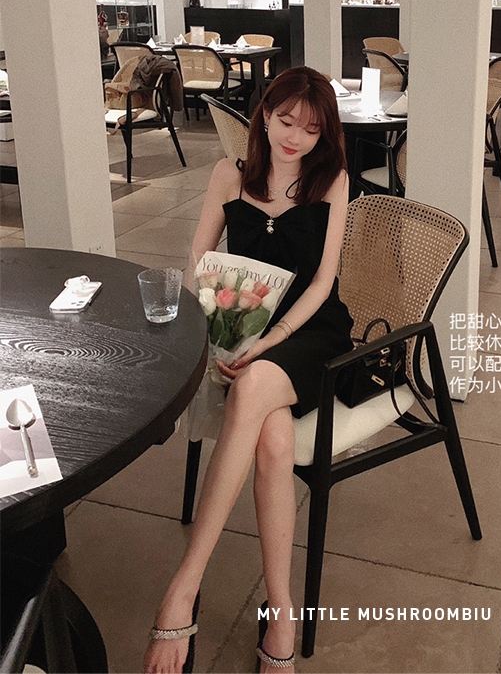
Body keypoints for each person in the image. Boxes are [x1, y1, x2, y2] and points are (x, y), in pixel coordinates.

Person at [143, 66, 352, 674]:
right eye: (285, 121)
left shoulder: (331, 180)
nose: (295, 138)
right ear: (264, 113)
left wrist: (274, 340)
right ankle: (282, 612)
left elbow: (324, 283)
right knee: (274, 441)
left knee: (257, 382)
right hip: (245, 326)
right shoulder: (228, 175)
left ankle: (183, 588)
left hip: (309, 333)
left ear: (323, 134)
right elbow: (199, 260)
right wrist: (213, 329)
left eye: (310, 129)